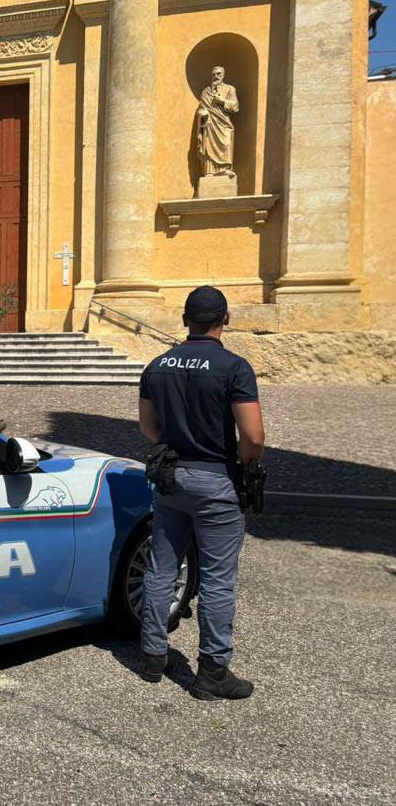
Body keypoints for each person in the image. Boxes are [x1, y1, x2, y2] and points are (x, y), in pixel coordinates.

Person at [137, 285, 265, 700]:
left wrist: (173, 447)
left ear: (184, 319)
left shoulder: (157, 365)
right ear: (225, 319)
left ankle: (153, 655)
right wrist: (243, 464)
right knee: (217, 579)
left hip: (170, 477)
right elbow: (253, 436)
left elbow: (147, 427)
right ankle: (212, 671)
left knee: (161, 567)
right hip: (216, 480)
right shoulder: (234, 367)